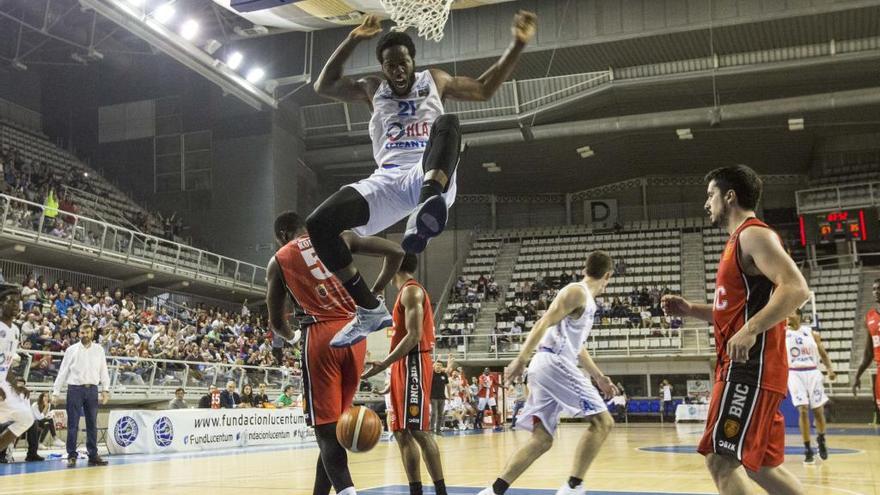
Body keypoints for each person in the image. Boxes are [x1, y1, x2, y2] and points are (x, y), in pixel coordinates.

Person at [309, 11, 537, 347]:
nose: (398, 70)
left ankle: (426, 207)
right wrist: (353, 39)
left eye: (402, 62)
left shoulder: (435, 80)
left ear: (412, 61)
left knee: (448, 123)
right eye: (390, 65)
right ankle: (369, 308)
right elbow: (323, 85)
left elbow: (485, 89)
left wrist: (517, 44)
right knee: (319, 224)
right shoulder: (373, 88)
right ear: (383, 68)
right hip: (387, 180)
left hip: (429, 171)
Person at [661, 165, 810, 495]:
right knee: (764, 469)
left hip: (749, 369)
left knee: (720, 460)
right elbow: (733, 313)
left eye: (710, 195)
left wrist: (751, 329)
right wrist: (689, 309)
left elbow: (797, 288)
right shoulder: (737, 242)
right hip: (752, 370)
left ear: (730, 196)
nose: (706, 203)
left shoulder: (753, 234)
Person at [266, 211, 405, 495]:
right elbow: (396, 251)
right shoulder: (337, 235)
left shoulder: (279, 259)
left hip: (320, 335)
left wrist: (292, 337)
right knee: (333, 432)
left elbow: (277, 322)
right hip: (356, 335)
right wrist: (372, 295)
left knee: (327, 433)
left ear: (282, 235)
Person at [478, 251, 618, 495]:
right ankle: (573, 487)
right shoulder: (576, 291)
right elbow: (544, 322)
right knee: (603, 422)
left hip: (550, 365)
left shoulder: (585, 301)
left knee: (542, 440)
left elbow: (577, 347)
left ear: (585, 268)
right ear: (608, 275)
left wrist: (598, 376)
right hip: (553, 362)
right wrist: (520, 358)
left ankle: (494, 491)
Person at [361, 253, 447, 495]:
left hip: (414, 362)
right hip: (404, 365)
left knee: (418, 429)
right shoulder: (404, 293)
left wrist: (384, 364)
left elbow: (414, 336)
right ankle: (415, 490)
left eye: (388, 265)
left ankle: (441, 492)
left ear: (396, 266)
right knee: (400, 431)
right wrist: (392, 374)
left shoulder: (412, 291)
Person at [52, 324, 111, 468]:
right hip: (75, 390)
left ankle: (93, 455)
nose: (84, 334)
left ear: (92, 333)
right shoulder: (71, 350)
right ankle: (72, 455)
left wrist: (106, 389)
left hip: (92, 389)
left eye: (87, 332)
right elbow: (63, 372)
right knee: (73, 424)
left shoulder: (99, 350)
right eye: (82, 332)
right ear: (79, 334)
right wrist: (55, 392)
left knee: (92, 424)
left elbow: (104, 370)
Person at [785, 311, 835, 464]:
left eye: (791, 313)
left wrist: (830, 369)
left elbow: (823, 353)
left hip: (812, 371)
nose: (787, 316)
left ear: (799, 315)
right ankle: (807, 448)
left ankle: (821, 439)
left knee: (818, 411)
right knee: (803, 409)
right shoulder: (782, 334)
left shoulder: (811, 333)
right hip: (794, 373)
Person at [0, 284, 35, 463]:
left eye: (18, 302)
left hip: (4, 384)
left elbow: (5, 365)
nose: (15, 305)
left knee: (26, 417)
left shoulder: (15, 330)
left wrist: (17, 385)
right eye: (10, 301)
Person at [853, 278, 880, 419]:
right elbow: (868, 353)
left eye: (879, 289)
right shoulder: (870, 316)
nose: (876, 292)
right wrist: (857, 376)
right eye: (874, 289)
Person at [429, 355, 453, 435]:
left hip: (442, 398)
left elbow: (448, 386)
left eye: (440, 365)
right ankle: (431, 429)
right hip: (433, 397)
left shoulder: (444, 375)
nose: (438, 367)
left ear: (442, 367)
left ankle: (438, 430)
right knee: (433, 413)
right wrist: (437, 359)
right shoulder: (431, 374)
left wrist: (449, 397)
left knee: (440, 414)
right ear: (434, 366)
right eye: (437, 365)